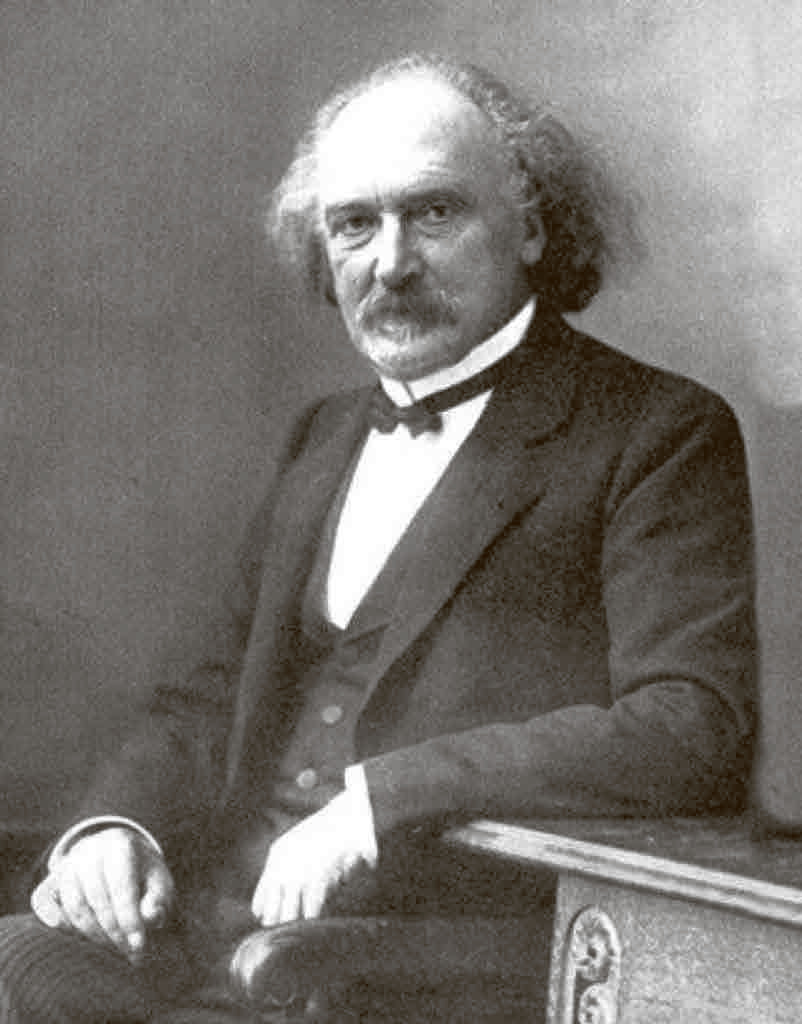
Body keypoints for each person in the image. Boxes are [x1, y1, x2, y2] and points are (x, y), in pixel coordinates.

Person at [0, 53, 756, 1023]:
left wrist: (382, 799)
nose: (390, 263)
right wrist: (115, 829)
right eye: (354, 223)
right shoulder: (323, 436)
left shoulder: (656, 431)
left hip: (419, 961)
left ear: (530, 226)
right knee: (15, 966)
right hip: (211, 923)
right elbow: (210, 694)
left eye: (434, 213)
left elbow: (692, 724)